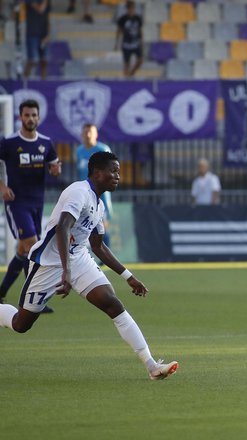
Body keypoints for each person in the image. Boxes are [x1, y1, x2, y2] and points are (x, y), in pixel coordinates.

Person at [0, 152, 179, 380]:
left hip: (79, 259)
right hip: (49, 263)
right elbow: (62, 228)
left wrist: (128, 276)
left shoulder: (99, 205)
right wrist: (65, 272)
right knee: (21, 324)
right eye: (113, 171)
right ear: (97, 172)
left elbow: (98, 247)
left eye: (118, 172)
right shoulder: (79, 192)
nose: (118, 176)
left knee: (113, 305)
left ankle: (152, 366)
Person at [0, 99, 60, 311]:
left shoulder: (45, 143)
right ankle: (32, 300)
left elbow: (54, 165)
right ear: (20, 117)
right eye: (27, 115)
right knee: (33, 246)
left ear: (38, 117)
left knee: (22, 251)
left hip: (37, 203)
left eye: (34, 115)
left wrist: (55, 170)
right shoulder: (8, 142)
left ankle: (1, 292)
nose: (31, 119)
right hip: (16, 203)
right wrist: (2, 187)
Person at [75, 123, 113, 248]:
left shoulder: (103, 149)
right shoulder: (79, 151)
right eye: (85, 132)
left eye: (90, 132)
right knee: (84, 225)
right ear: (81, 134)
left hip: (100, 194)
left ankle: (107, 255)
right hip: (84, 194)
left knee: (102, 225)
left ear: (96, 134)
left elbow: (110, 171)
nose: (88, 134)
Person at [115, 0, 143, 77]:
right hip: (126, 45)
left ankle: (131, 74)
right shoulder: (123, 19)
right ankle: (126, 78)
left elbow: (140, 31)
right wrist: (116, 43)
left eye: (133, 8)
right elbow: (119, 31)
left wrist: (141, 42)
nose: (132, 10)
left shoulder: (138, 18)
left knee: (140, 60)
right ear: (127, 9)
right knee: (126, 63)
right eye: (130, 9)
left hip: (135, 43)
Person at [25, 0, 50, 79]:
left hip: (43, 33)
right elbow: (40, 9)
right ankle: (24, 84)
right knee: (32, 60)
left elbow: (46, 16)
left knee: (44, 61)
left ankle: (44, 85)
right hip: (32, 33)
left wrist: (47, 34)